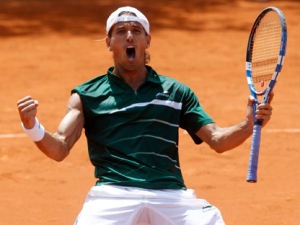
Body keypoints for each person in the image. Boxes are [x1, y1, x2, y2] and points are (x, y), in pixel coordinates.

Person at [17, 6, 273, 225]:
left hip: (170, 194)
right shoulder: (87, 95)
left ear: (147, 41)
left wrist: (248, 124)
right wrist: (32, 126)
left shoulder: (175, 91)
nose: (129, 36)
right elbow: (60, 148)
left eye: (136, 31)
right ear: (109, 43)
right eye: (120, 32)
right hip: (113, 195)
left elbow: (217, 139)